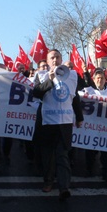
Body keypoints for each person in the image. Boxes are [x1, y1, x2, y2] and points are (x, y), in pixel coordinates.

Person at [32, 49, 84, 200]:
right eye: (52, 58)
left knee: (63, 155)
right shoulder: (40, 75)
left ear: (62, 60)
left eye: (57, 57)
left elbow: (74, 98)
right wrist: (50, 79)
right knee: (47, 155)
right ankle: (48, 181)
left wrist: (79, 117)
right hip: (47, 123)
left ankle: (64, 187)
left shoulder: (72, 76)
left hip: (64, 123)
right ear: (47, 62)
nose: (55, 60)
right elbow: (36, 93)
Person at [82, 66, 107, 185]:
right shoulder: (88, 91)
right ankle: (89, 169)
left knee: (106, 151)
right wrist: (85, 72)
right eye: (97, 78)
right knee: (90, 149)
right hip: (91, 125)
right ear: (94, 79)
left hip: (106, 126)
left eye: (102, 78)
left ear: (105, 79)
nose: (99, 80)